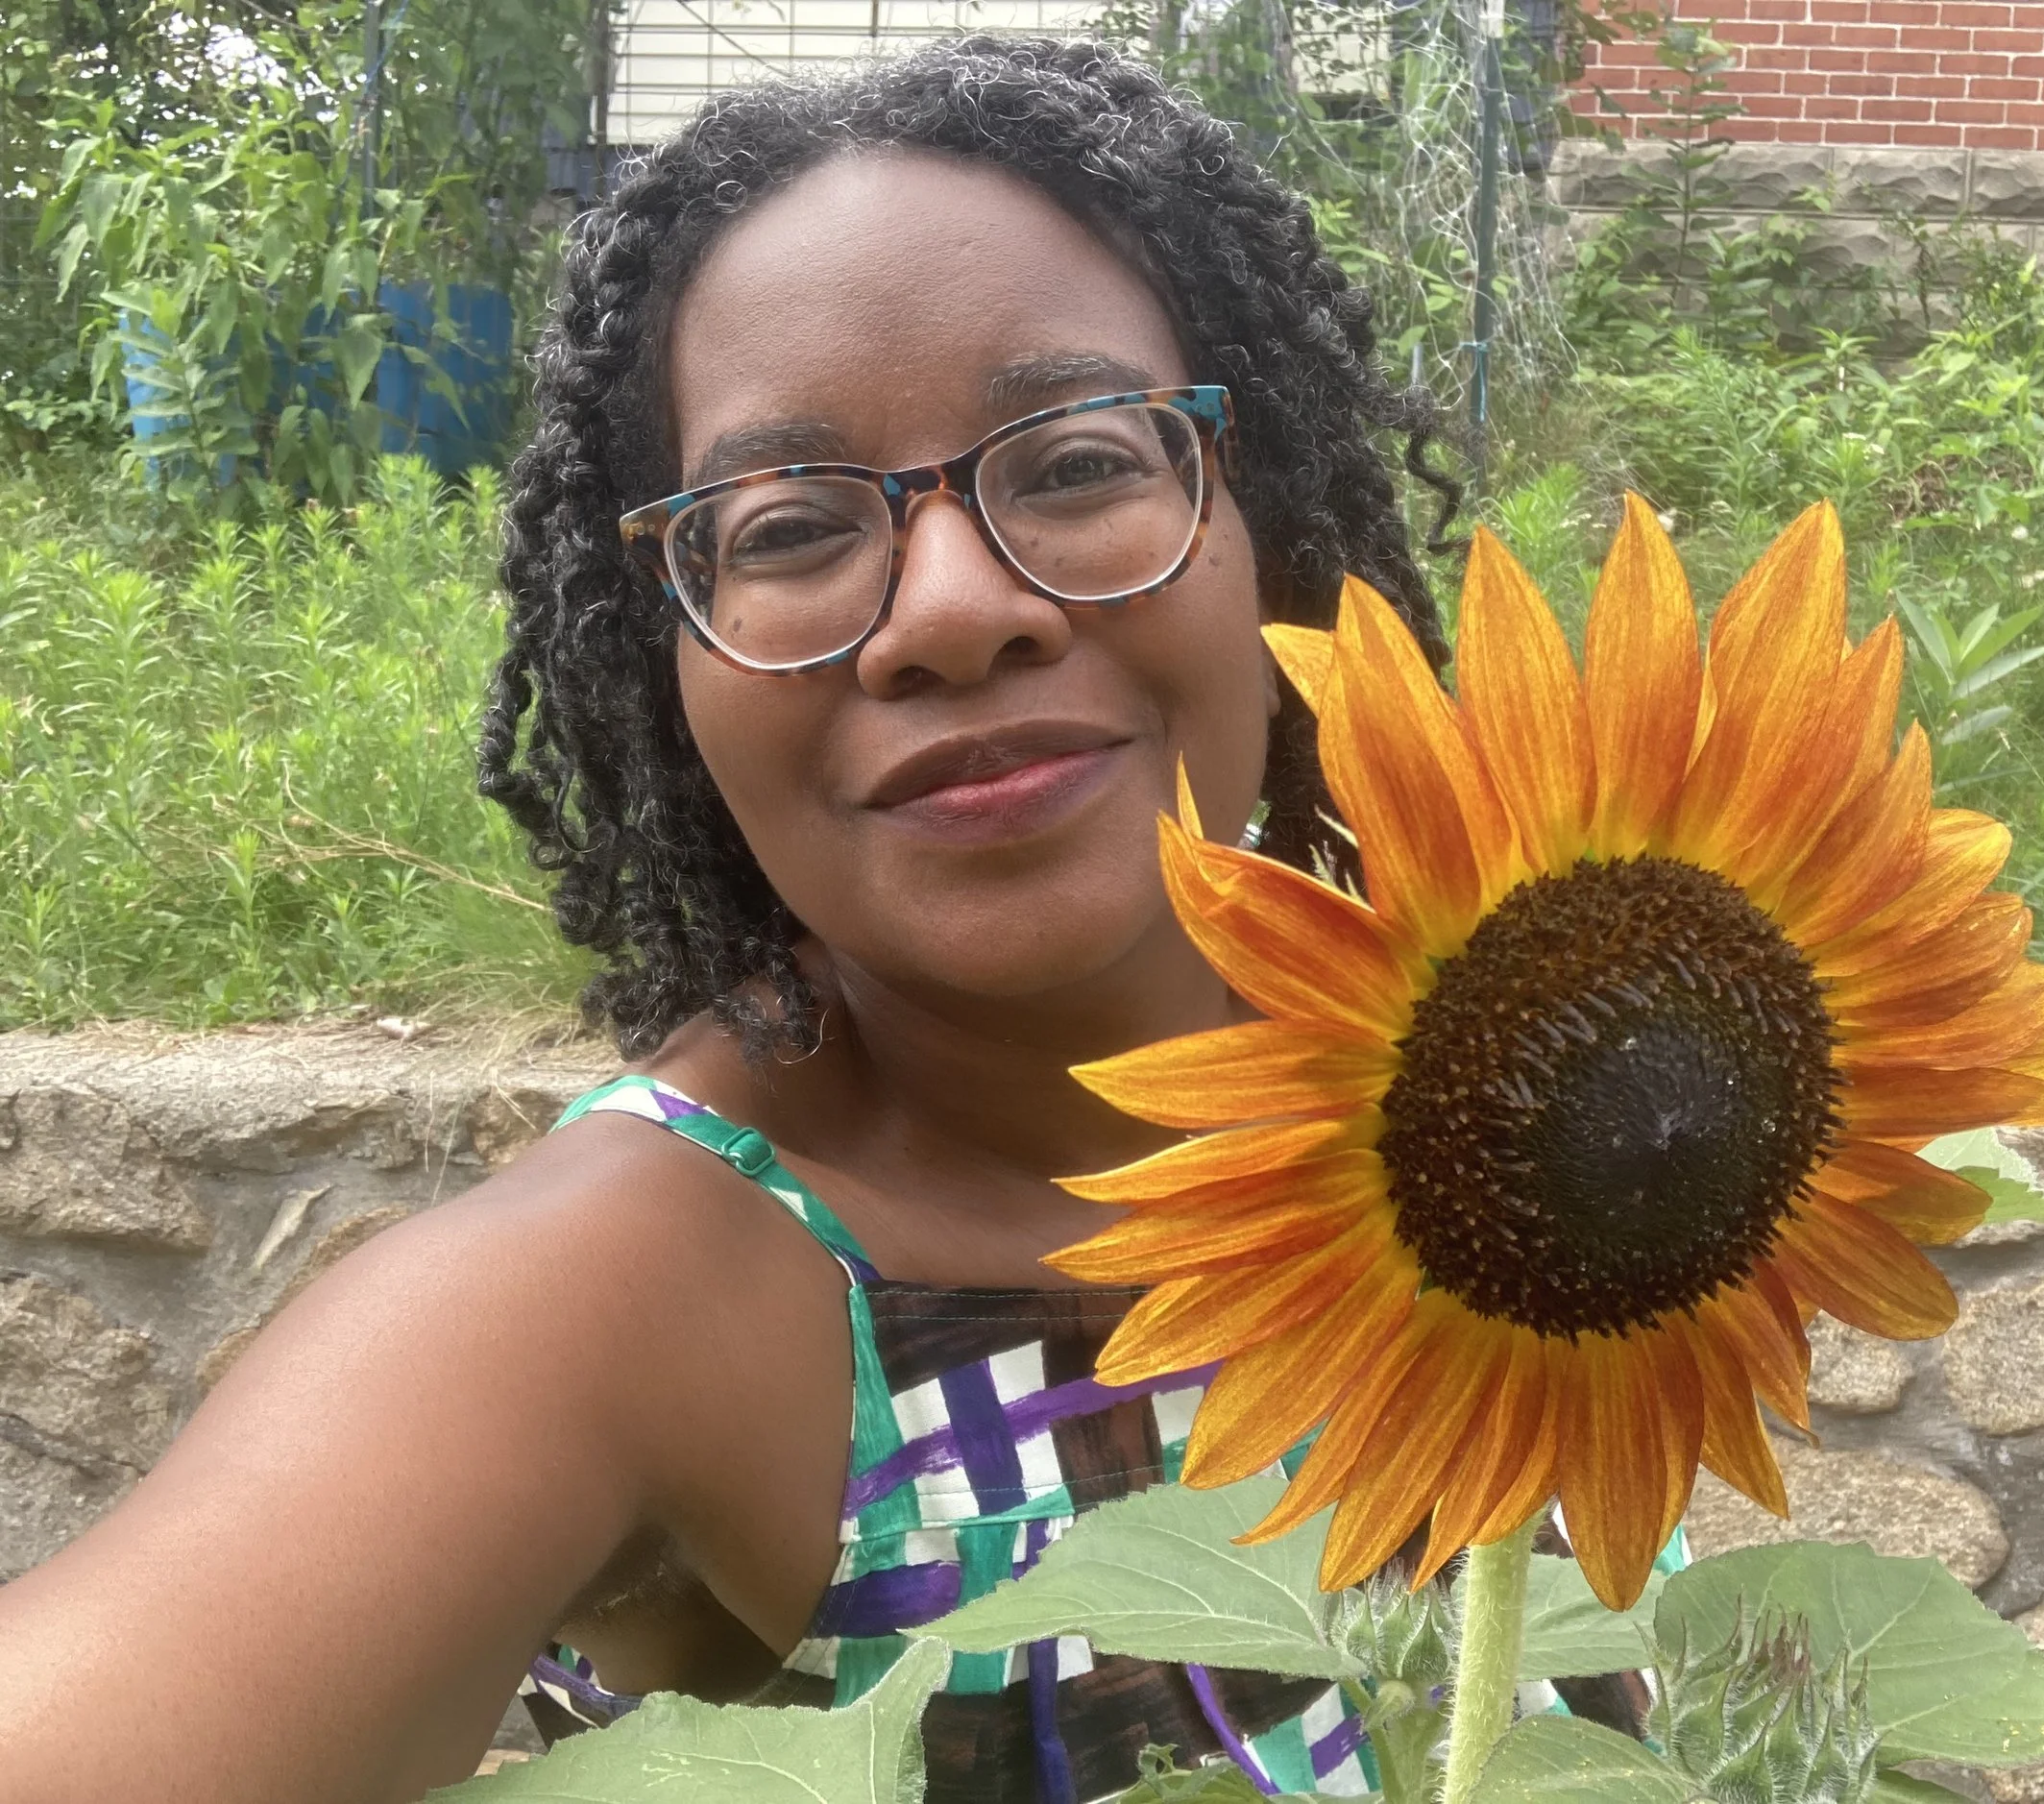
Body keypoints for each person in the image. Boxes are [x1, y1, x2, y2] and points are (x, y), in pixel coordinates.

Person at [0, 37, 1638, 1802]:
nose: (952, 607)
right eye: (786, 529)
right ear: (668, 660)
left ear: (1270, 526)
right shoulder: (629, 1292)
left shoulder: (1540, 1055)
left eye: (1079, 463)